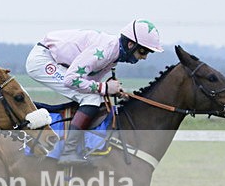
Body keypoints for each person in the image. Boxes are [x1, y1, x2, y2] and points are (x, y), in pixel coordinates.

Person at [26, 19, 163, 165]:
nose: (144, 57)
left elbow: (89, 82)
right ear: (131, 45)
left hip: (52, 58)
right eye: (143, 51)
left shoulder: (113, 54)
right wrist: (105, 88)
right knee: (91, 99)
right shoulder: (105, 51)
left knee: (93, 96)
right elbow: (71, 79)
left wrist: (109, 90)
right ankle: (68, 151)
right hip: (43, 60)